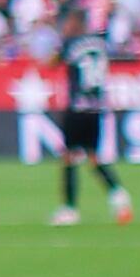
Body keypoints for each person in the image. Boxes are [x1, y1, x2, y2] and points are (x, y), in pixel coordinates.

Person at [54, 30, 129, 225]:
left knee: (69, 157)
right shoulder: (101, 43)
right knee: (94, 157)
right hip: (96, 108)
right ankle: (117, 193)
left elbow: (50, 62)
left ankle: (69, 209)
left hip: (77, 107)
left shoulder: (71, 41)